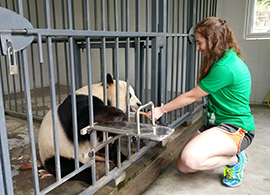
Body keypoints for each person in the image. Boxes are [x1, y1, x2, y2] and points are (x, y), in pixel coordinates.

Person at [146, 17, 255, 188]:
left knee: (191, 158)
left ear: (214, 40)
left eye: (199, 42)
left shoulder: (225, 67)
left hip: (236, 127)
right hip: (215, 123)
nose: (197, 48)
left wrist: (162, 109)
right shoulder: (220, 58)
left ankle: (235, 159)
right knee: (184, 166)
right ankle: (227, 154)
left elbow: (191, 96)